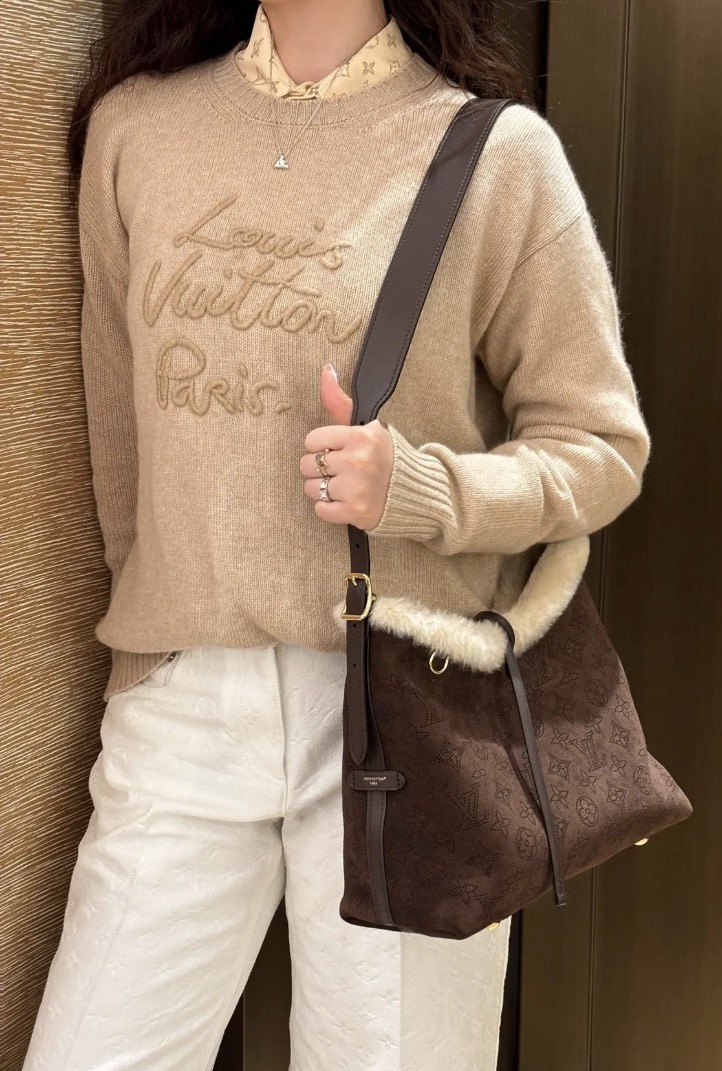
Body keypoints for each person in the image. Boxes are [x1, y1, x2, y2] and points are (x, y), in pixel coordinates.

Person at [23, 1, 651, 1068]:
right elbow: (119, 444)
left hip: (414, 713)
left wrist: (422, 489)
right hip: (182, 706)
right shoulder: (138, 129)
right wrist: (147, 661)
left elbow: (601, 447)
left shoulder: (497, 155)